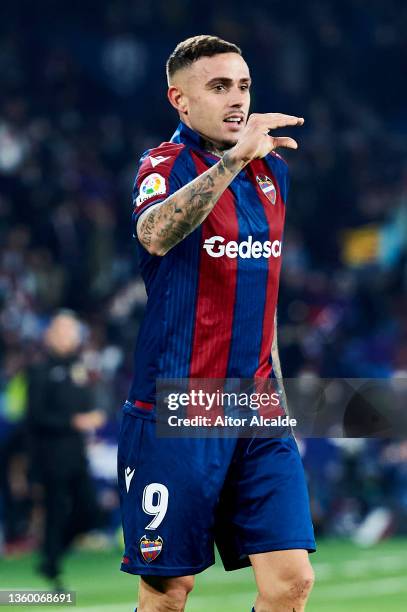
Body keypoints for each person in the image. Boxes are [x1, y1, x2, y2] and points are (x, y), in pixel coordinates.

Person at [118, 35, 316, 612]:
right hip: (176, 406)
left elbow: (262, 300)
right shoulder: (163, 164)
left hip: (254, 407)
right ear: (180, 99)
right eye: (220, 86)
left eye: (245, 86)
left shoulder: (272, 173)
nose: (237, 100)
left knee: (291, 582)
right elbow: (154, 235)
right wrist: (231, 161)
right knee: (168, 593)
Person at [27, 312, 105, 588]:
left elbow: (86, 405)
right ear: (50, 336)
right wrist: (73, 421)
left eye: (73, 332)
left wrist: (93, 416)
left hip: (76, 454)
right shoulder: (39, 370)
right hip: (50, 455)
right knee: (56, 511)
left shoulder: (79, 369)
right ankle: (52, 569)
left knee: (90, 510)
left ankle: (53, 555)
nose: (70, 337)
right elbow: (34, 415)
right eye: (63, 331)